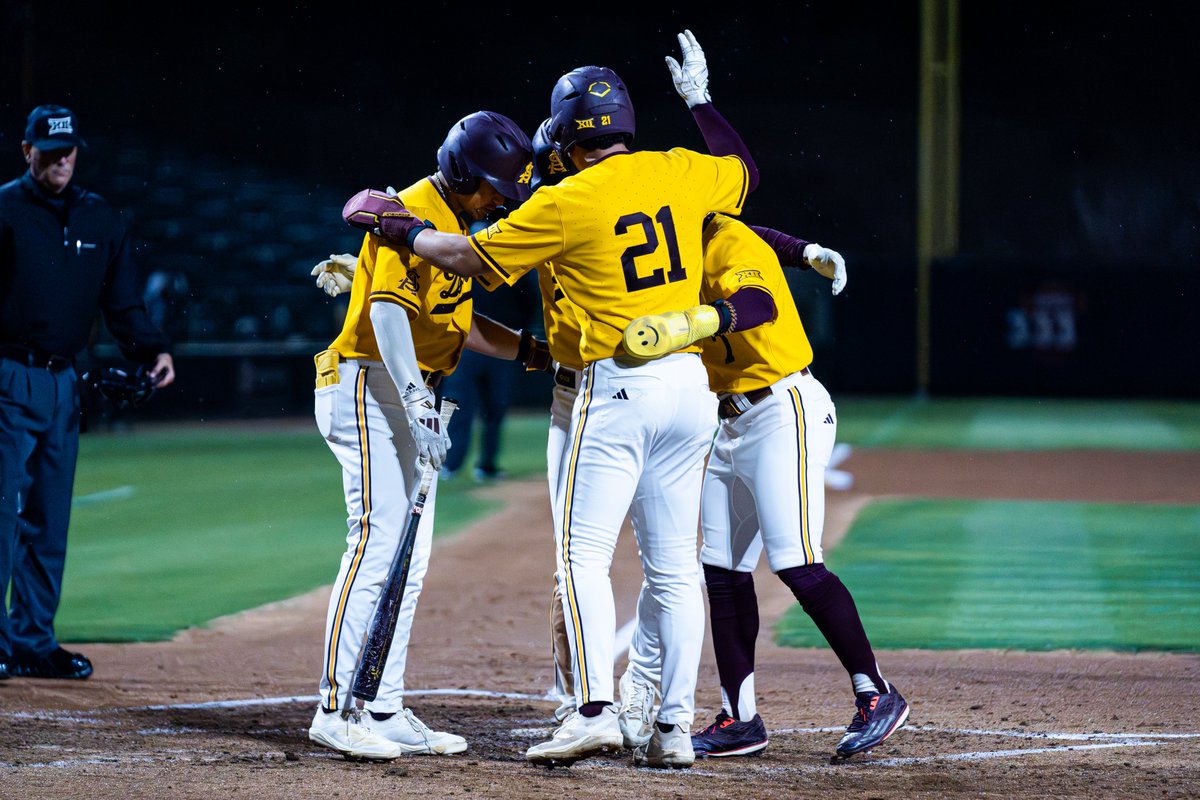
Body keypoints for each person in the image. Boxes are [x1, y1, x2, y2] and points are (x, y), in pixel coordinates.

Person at [341, 55, 758, 769]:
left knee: (582, 558)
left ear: (565, 133)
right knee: (673, 571)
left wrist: (401, 230)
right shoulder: (682, 170)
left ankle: (592, 711)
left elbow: (469, 258)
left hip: (614, 384)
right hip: (690, 385)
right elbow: (742, 166)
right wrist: (702, 102)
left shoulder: (564, 202)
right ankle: (673, 729)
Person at [621, 211, 908, 761]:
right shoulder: (674, 249)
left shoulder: (723, 236)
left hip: (784, 408)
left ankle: (877, 693)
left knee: (796, 561)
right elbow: (768, 239)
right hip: (728, 421)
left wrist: (694, 322)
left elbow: (759, 305)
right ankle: (739, 718)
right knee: (722, 570)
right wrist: (802, 250)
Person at [307, 110, 545, 762]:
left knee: (407, 562)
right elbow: (386, 311)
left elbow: (460, 324)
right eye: (497, 187)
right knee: (377, 544)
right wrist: (414, 397)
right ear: (468, 174)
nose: (504, 200)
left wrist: (534, 353)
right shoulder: (409, 208)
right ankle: (336, 707)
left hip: (414, 393)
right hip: (367, 382)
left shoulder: (458, 223)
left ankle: (382, 707)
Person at [0, 104, 175, 682]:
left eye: (68, 149)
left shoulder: (100, 218)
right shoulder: (4, 209)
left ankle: (31, 640)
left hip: (62, 386)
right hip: (6, 376)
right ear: (27, 151)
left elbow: (121, 302)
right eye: (49, 150)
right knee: (2, 516)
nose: (61, 159)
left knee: (49, 521)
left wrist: (151, 350)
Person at [437, 268, 541, 482]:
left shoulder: (512, 269)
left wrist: (518, 338)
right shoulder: (463, 263)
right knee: (459, 406)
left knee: (494, 408)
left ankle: (485, 465)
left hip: (503, 346)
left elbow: (530, 303)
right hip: (469, 345)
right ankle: (452, 464)